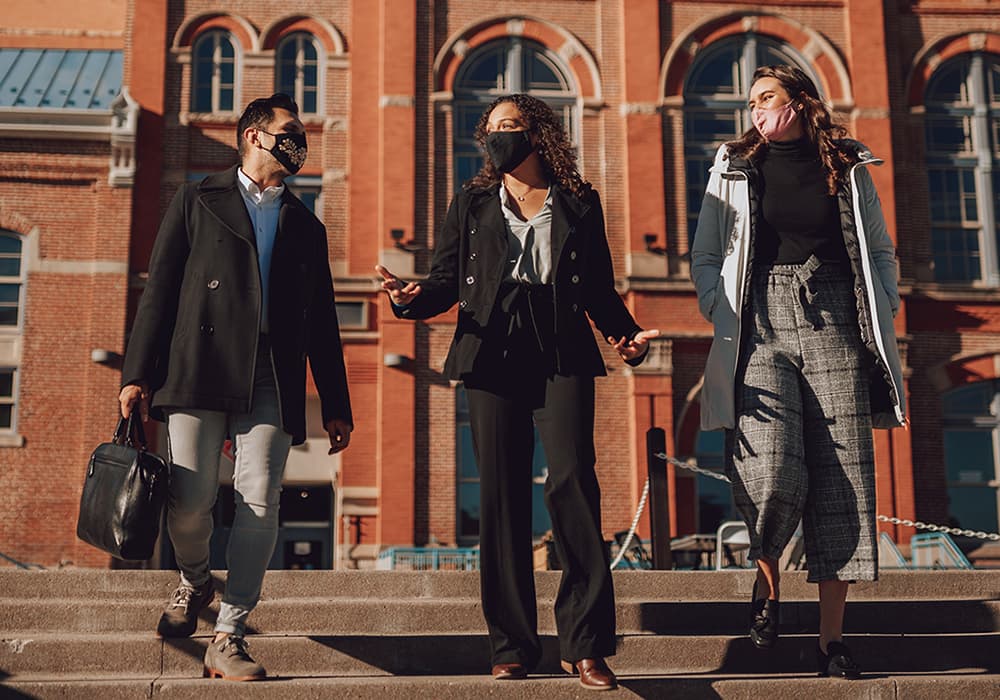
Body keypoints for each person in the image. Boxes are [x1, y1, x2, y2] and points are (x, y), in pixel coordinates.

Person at [376, 93, 658, 691]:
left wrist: (627, 337)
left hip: (560, 341)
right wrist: (411, 298)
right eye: (493, 127)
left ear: (539, 133)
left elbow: (599, 289)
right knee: (501, 497)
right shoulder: (473, 201)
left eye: (511, 125)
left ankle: (585, 645)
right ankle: (511, 645)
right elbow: (447, 282)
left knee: (573, 482)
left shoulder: (580, 200)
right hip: (491, 343)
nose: (499, 135)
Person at [119, 93, 353, 681]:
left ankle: (230, 632)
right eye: (289, 132)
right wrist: (136, 375)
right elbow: (160, 291)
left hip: (272, 371)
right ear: (254, 135)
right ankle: (195, 582)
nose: (299, 142)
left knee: (260, 497)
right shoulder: (198, 198)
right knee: (190, 499)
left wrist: (336, 403)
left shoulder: (305, 224)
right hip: (197, 365)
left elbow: (322, 319)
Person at [691, 65, 906, 679]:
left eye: (767, 99)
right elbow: (707, 252)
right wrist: (718, 302)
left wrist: (884, 299)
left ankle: (830, 643)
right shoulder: (734, 164)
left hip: (838, 313)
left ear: (800, 101)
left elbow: (879, 247)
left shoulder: (848, 163)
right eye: (752, 102)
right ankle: (767, 587)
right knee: (772, 463)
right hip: (759, 317)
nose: (757, 111)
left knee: (842, 479)